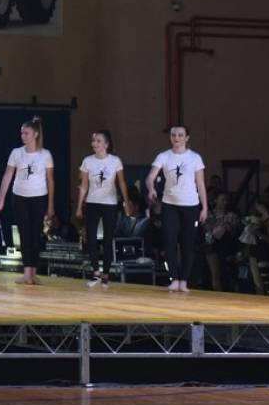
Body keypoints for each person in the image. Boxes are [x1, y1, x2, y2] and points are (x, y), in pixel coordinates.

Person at [145, 124, 209, 292]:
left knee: (188, 244)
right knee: (170, 242)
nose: (176, 138)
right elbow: (150, 177)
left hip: (191, 205)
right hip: (170, 205)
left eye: (180, 135)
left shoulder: (195, 158)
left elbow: (200, 183)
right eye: (173, 135)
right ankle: (174, 278)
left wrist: (204, 207)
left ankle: (184, 280)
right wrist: (151, 188)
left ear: (186, 138)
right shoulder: (163, 156)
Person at [0, 117, 54, 285]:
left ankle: (34, 272)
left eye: (26, 133)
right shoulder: (16, 153)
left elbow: (50, 180)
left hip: (39, 197)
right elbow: (8, 175)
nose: (23, 136)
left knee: (36, 234)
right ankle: (27, 272)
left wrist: (51, 204)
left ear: (35, 134)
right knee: (24, 234)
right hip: (20, 197)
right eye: (22, 133)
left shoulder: (45, 155)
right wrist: (1, 200)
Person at [75, 129, 133, 288]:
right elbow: (83, 185)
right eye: (93, 141)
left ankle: (106, 274)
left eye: (99, 141)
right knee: (91, 238)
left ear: (106, 144)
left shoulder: (115, 161)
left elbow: (121, 182)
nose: (95, 143)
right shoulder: (87, 161)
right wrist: (79, 206)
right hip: (92, 203)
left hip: (110, 204)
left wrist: (126, 202)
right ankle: (96, 273)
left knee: (108, 239)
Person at [202, 193, 240, 292]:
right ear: (216, 200)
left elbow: (234, 232)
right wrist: (221, 225)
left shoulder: (231, 215)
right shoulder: (210, 214)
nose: (225, 202)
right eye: (222, 200)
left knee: (228, 273)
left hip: (227, 246)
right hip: (213, 245)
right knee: (215, 274)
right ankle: (218, 295)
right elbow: (208, 230)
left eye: (226, 200)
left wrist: (229, 225)